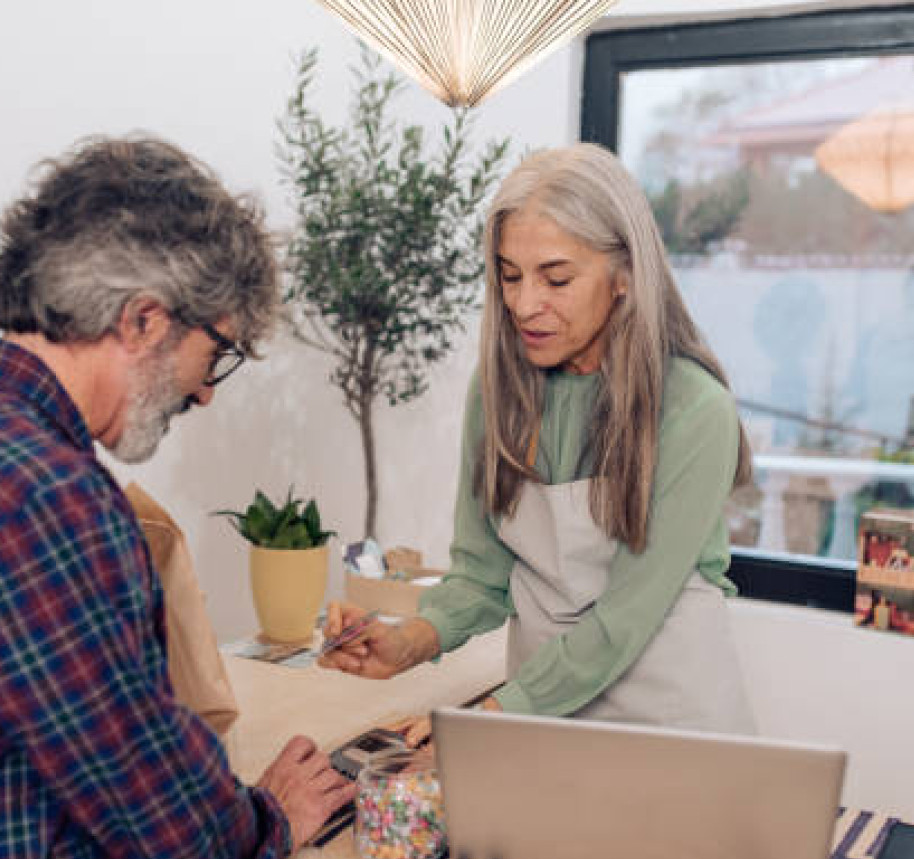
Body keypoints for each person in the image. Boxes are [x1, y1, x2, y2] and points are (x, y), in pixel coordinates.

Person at [0, 137, 353, 859]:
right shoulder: (48, 496)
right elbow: (156, 802)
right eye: (218, 352)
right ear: (143, 321)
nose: (205, 394)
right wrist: (270, 819)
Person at [321, 143, 755, 737]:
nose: (526, 305)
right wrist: (407, 643)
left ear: (625, 274)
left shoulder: (696, 409)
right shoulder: (499, 389)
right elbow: (480, 573)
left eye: (556, 278)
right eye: (509, 275)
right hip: (538, 706)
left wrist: (492, 720)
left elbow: (622, 620)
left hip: (668, 717)